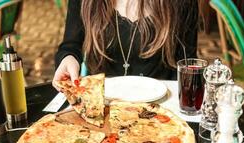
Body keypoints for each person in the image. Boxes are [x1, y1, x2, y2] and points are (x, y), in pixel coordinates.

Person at [53, 0, 198, 89]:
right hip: (101, 108)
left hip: (160, 113)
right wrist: (68, 58)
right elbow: (70, 46)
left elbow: (186, 66)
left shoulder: (183, 2)